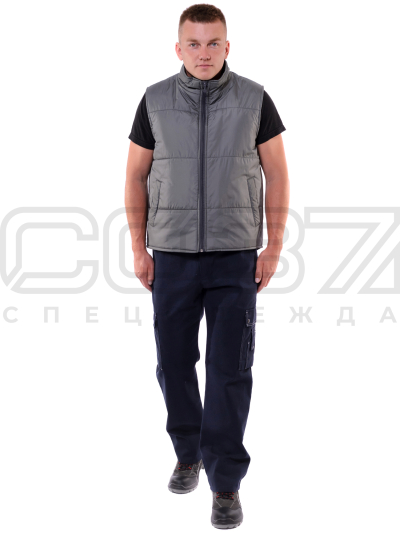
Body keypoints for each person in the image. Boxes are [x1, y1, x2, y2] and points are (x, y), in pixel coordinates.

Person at [125, 4, 289, 529]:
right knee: (173, 364)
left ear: (227, 46)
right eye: (193, 44)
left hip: (235, 256)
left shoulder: (254, 99)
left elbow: (277, 173)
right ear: (178, 48)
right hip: (171, 257)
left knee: (229, 370)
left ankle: (226, 483)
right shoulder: (154, 100)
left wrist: (273, 247)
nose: (203, 53)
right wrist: (138, 248)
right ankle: (187, 452)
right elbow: (134, 176)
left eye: (213, 43)